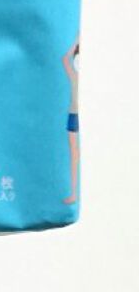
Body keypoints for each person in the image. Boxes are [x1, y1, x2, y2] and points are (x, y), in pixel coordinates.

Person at [63, 41, 80, 206]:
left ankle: (75, 193)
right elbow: (65, 59)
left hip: (75, 116)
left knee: (75, 154)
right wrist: (76, 40)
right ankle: (74, 193)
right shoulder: (74, 75)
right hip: (73, 116)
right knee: (73, 154)